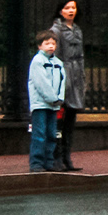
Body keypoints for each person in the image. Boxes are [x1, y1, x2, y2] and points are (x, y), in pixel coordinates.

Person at [49, 0, 85, 172]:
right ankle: (56, 159)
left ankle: (67, 158)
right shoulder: (56, 30)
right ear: (60, 11)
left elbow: (81, 56)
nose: (71, 11)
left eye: (73, 8)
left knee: (70, 121)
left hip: (76, 77)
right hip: (64, 76)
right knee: (59, 122)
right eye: (67, 8)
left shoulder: (77, 30)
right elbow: (54, 57)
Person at [27, 31, 66, 173]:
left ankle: (49, 162)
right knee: (39, 134)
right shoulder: (37, 62)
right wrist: (53, 99)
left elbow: (62, 82)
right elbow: (41, 83)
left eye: (53, 43)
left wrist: (59, 98)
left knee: (51, 133)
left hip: (53, 105)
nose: (51, 46)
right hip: (40, 104)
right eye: (47, 43)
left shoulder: (58, 63)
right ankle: (36, 163)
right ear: (39, 46)